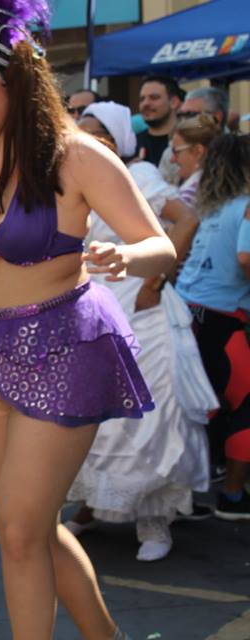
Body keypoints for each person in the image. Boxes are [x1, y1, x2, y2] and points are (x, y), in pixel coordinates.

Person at [0, 2, 176, 637]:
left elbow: (161, 245)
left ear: (18, 84)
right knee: (27, 523)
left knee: (17, 528)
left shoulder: (78, 157)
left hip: (59, 348)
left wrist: (126, 254)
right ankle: (108, 636)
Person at [64, 102, 215, 563]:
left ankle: (154, 521)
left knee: (148, 414)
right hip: (95, 305)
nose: (82, 138)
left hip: (142, 307)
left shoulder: (140, 174)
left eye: (92, 131)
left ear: (113, 141)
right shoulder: (73, 176)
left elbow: (185, 222)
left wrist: (154, 281)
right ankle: (94, 505)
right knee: (94, 413)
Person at [175, 133, 250, 521]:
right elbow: (246, 258)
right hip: (224, 321)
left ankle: (183, 498)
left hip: (188, 313)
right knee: (245, 407)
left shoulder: (212, 207)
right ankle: (233, 498)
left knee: (196, 408)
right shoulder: (247, 206)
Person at [170, 113, 220, 208]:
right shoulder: (218, 185)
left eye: (176, 152)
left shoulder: (190, 196)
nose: (172, 159)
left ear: (198, 151)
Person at [136, 76, 183, 167]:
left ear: (174, 102)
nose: (146, 104)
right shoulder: (133, 144)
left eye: (154, 98)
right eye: (142, 99)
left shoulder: (187, 141)